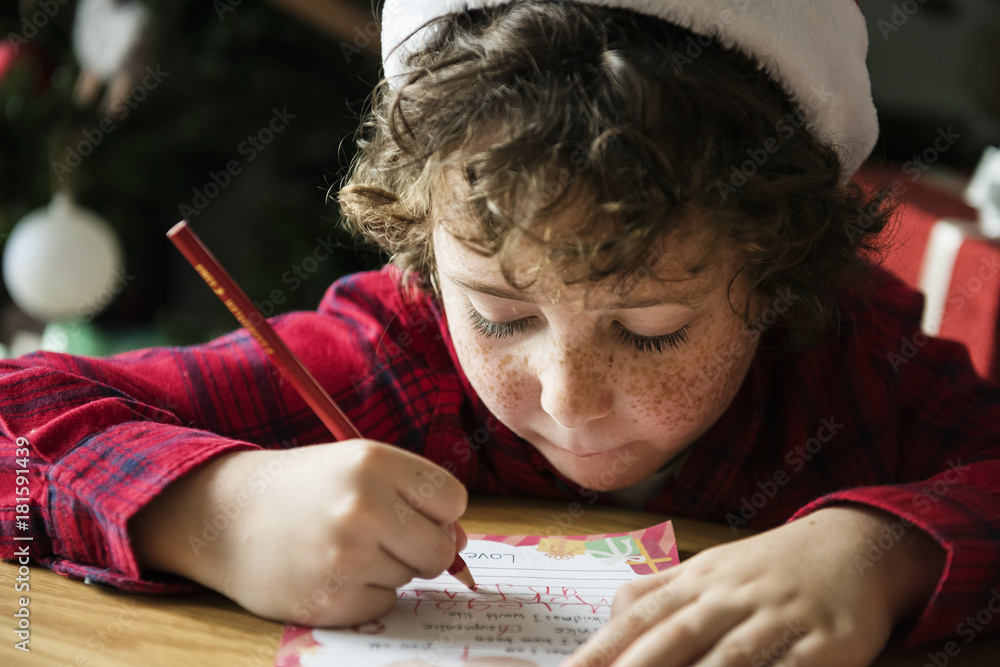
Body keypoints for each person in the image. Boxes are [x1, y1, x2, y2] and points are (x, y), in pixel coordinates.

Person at [2, 1, 998, 665]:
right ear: (427, 250)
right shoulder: (397, 358)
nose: (566, 396)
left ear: (781, 272)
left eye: (650, 329)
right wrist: (216, 513)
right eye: (502, 314)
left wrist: (882, 552)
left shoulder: (852, 369)